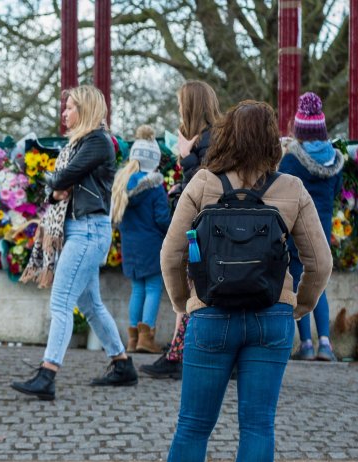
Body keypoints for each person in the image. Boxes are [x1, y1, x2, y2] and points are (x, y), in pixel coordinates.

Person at [140, 101, 332, 462]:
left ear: (224, 135)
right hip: (271, 319)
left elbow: (171, 255)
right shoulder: (292, 188)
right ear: (272, 141)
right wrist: (298, 308)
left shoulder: (203, 184)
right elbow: (320, 263)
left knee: (192, 427)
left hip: (211, 317)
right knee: (258, 426)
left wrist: (186, 306)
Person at [12, 85, 135, 401]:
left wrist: (56, 186)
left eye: (69, 108)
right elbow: (57, 183)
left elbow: (63, 177)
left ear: (86, 109)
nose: (64, 113)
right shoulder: (82, 143)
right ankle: (122, 364)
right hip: (82, 229)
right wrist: (56, 187)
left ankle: (47, 373)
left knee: (61, 301)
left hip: (88, 230)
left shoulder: (96, 141)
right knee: (90, 305)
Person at [141, 80, 221, 380]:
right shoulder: (208, 139)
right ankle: (178, 352)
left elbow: (206, 184)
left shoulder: (210, 140)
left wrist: (186, 156)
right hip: (201, 225)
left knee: (191, 288)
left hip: (202, 227)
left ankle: (179, 354)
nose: (177, 109)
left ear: (192, 107)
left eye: (180, 103)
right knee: (189, 289)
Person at [279, 92, 344, 361]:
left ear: (299, 129)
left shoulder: (292, 160)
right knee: (319, 283)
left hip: (297, 228)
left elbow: (280, 187)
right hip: (323, 229)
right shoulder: (336, 162)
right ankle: (325, 344)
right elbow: (338, 191)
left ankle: (306, 343)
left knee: (298, 281)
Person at [112, 125, 171, 354]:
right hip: (152, 244)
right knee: (154, 287)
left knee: (137, 289)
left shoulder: (122, 183)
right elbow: (162, 218)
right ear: (154, 160)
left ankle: (133, 339)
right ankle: (147, 337)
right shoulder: (155, 185)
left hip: (131, 245)